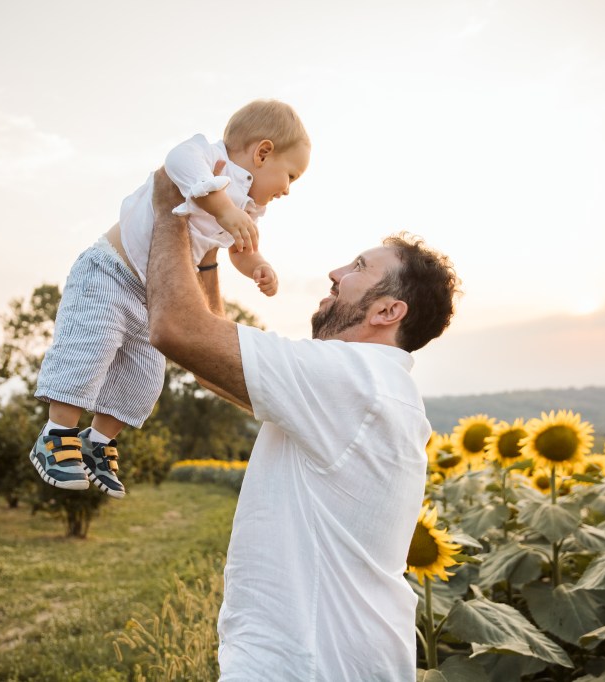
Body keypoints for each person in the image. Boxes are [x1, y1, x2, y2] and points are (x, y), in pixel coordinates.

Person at [146, 164, 460, 681]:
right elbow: (217, 374)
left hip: (310, 665)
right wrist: (205, 253)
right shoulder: (370, 389)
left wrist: (169, 209)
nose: (336, 273)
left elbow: (177, 328)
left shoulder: (354, 380)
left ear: (387, 310)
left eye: (358, 266)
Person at [29, 100, 310, 497]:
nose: (286, 190)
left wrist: (258, 264)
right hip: (111, 271)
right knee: (89, 351)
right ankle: (56, 435)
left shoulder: (249, 208)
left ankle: (98, 442)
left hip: (152, 296)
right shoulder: (209, 158)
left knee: (143, 379)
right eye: (291, 176)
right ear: (263, 153)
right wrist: (222, 207)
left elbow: (238, 248)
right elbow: (175, 161)